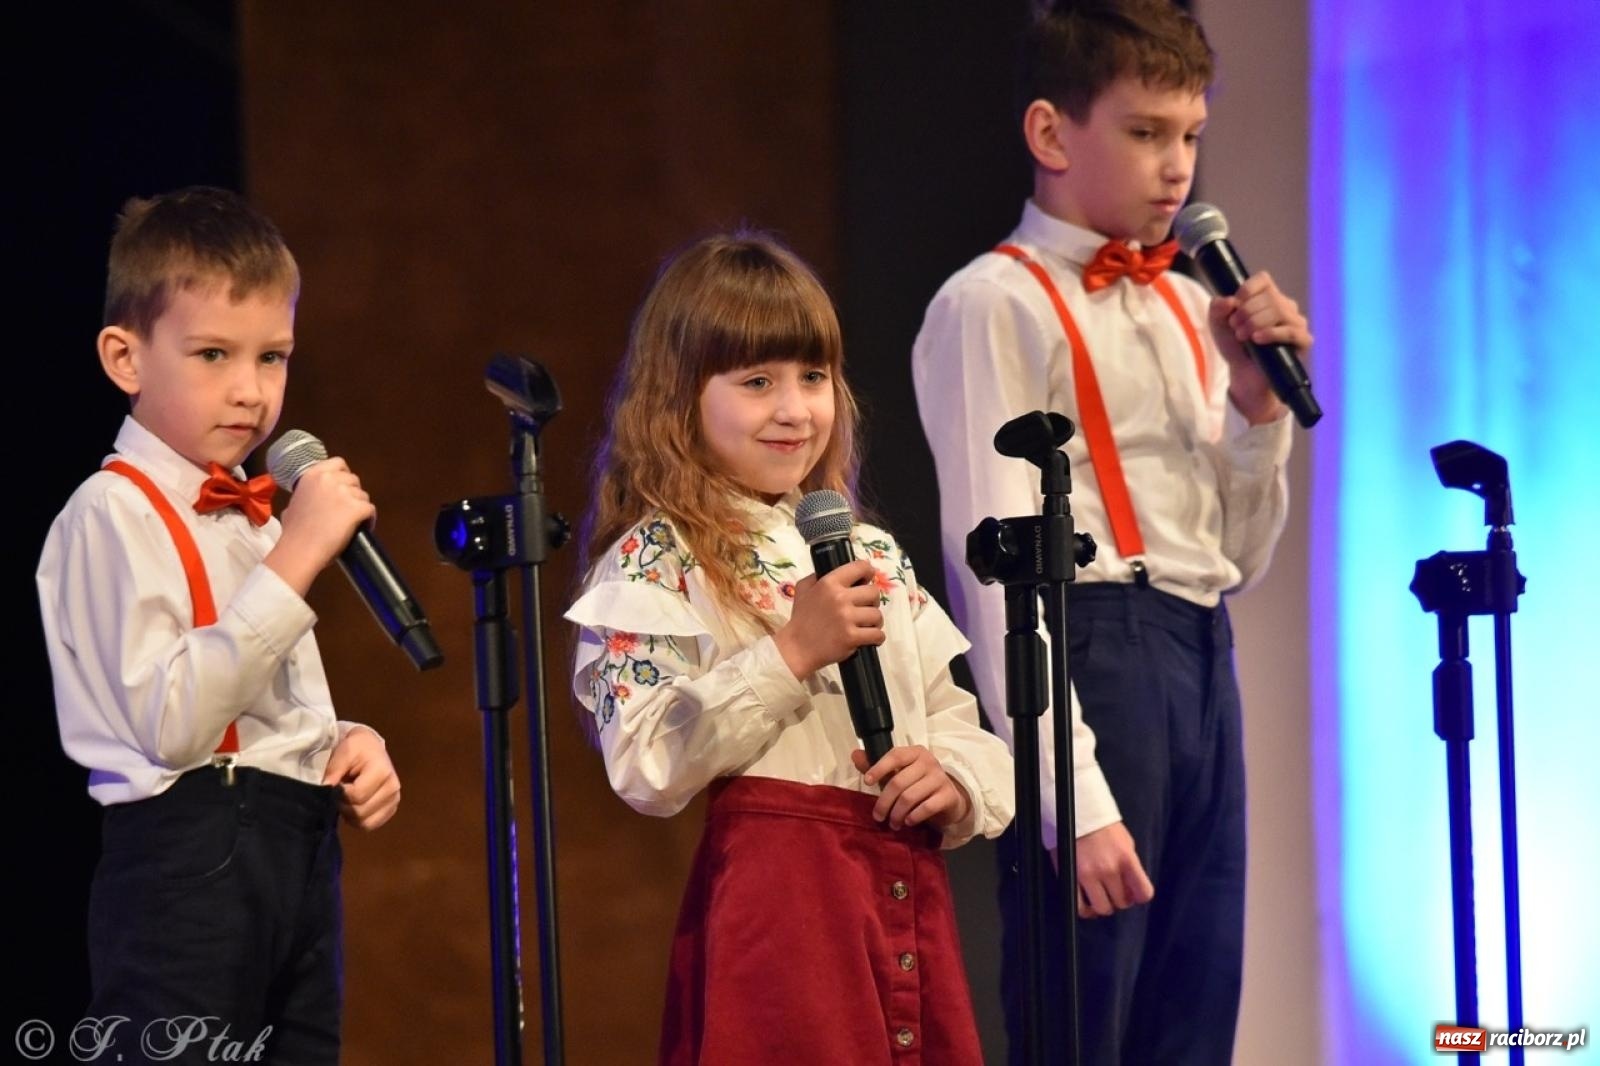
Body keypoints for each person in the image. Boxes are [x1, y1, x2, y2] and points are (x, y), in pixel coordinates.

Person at [911, 2, 1314, 1063]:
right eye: (1143, 133)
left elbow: (1240, 558)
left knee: (1192, 1012)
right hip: (1086, 657)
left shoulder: (1191, 305)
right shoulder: (992, 303)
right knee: (1086, 1017)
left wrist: (1255, 412)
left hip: (1197, 653)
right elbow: (989, 568)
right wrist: (1070, 801)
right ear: (1051, 134)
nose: (1176, 166)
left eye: (1189, 134)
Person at [567, 230, 1014, 1064]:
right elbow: (642, 760)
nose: (794, 408)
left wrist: (949, 776)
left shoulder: (871, 553)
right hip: (783, 911)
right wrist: (789, 654)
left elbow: (958, 720)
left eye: (813, 377)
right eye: (757, 381)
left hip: (901, 887)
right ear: (680, 398)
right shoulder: (659, 557)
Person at [36, 185, 401, 1064]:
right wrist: (294, 561)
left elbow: (263, 701)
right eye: (212, 354)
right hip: (187, 863)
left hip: (295, 848)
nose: (249, 390)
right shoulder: (110, 514)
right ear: (126, 357)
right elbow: (172, 725)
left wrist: (342, 738)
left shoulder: (257, 520)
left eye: (272, 358)